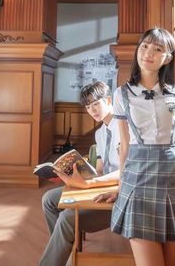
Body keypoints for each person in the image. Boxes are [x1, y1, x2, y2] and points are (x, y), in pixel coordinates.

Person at [97, 28, 175, 266]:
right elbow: (124, 146)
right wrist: (121, 187)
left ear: (167, 57)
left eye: (158, 49)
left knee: (171, 263)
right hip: (137, 183)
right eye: (145, 46)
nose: (148, 53)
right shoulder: (122, 94)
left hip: (173, 180)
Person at [38, 81, 120, 266]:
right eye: (88, 107)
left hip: (116, 194)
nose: (93, 110)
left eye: (96, 104)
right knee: (49, 200)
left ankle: (52, 261)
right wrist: (71, 175)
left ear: (108, 100)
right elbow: (99, 170)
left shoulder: (123, 127)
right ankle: (63, 253)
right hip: (98, 186)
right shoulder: (100, 133)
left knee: (68, 217)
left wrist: (90, 184)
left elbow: (126, 171)